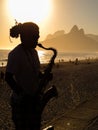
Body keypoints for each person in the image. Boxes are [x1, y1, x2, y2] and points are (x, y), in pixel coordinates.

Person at [5, 22, 57, 130]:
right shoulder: (15, 54)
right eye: (35, 36)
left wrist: (44, 75)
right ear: (25, 36)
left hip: (33, 99)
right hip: (21, 103)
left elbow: (35, 72)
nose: (38, 38)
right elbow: (8, 77)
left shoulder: (34, 52)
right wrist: (23, 95)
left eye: (38, 36)